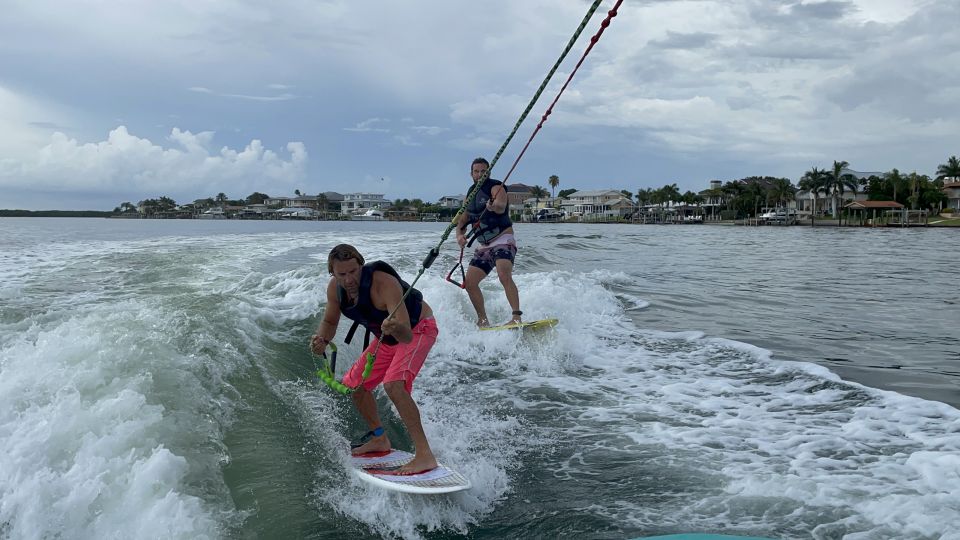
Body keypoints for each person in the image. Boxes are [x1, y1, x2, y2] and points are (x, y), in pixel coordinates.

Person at [310, 244, 439, 474]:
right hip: (385, 339)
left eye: (354, 271)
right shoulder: (335, 290)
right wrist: (322, 340)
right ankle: (380, 438)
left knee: (394, 385)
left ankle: (425, 456)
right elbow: (330, 323)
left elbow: (406, 335)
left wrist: (396, 326)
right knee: (355, 386)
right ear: (333, 273)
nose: (349, 279)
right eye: (342, 274)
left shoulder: (384, 284)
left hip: (418, 329)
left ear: (361, 265)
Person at [456, 157, 522, 327]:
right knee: (469, 283)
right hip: (484, 246)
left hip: (503, 239)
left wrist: (493, 206)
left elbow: (500, 205)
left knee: (503, 275)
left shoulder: (496, 187)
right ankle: (483, 320)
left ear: (488, 172)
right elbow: (461, 223)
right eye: (476, 171)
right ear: (471, 174)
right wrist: (460, 236)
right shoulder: (468, 197)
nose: (480, 174)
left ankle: (516, 317)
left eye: (483, 171)